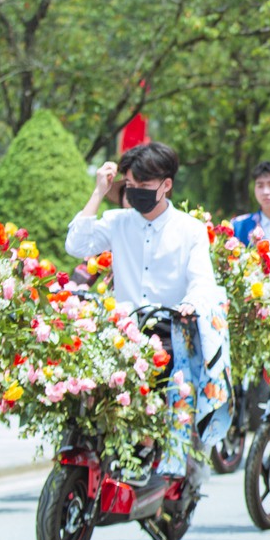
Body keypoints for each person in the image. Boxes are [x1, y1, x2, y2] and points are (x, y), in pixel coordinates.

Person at [65, 142, 231, 475]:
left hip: (170, 328)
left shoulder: (190, 229)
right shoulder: (117, 221)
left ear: (166, 184)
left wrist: (189, 305)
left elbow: (202, 281)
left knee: (163, 391)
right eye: (131, 186)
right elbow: (76, 245)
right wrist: (98, 192)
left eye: (144, 187)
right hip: (122, 329)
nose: (136, 193)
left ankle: (160, 459)